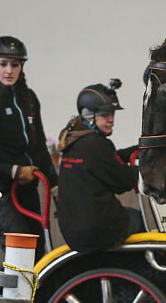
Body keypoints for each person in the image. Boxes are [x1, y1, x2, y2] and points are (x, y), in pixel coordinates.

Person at [0, 36, 58, 257]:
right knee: (19, 250)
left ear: (21, 67)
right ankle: (2, 293)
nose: (9, 71)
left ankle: (29, 293)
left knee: (36, 250)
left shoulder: (29, 98)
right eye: (3, 64)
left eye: (14, 64)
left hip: (28, 184)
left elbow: (39, 148)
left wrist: (55, 187)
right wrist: (14, 171)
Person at [57, 80, 142, 253]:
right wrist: (151, 169)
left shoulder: (74, 142)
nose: (111, 120)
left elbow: (108, 161)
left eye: (112, 114)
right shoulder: (96, 145)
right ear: (89, 116)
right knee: (143, 221)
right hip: (98, 230)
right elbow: (122, 181)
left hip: (72, 231)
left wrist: (143, 148)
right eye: (105, 115)